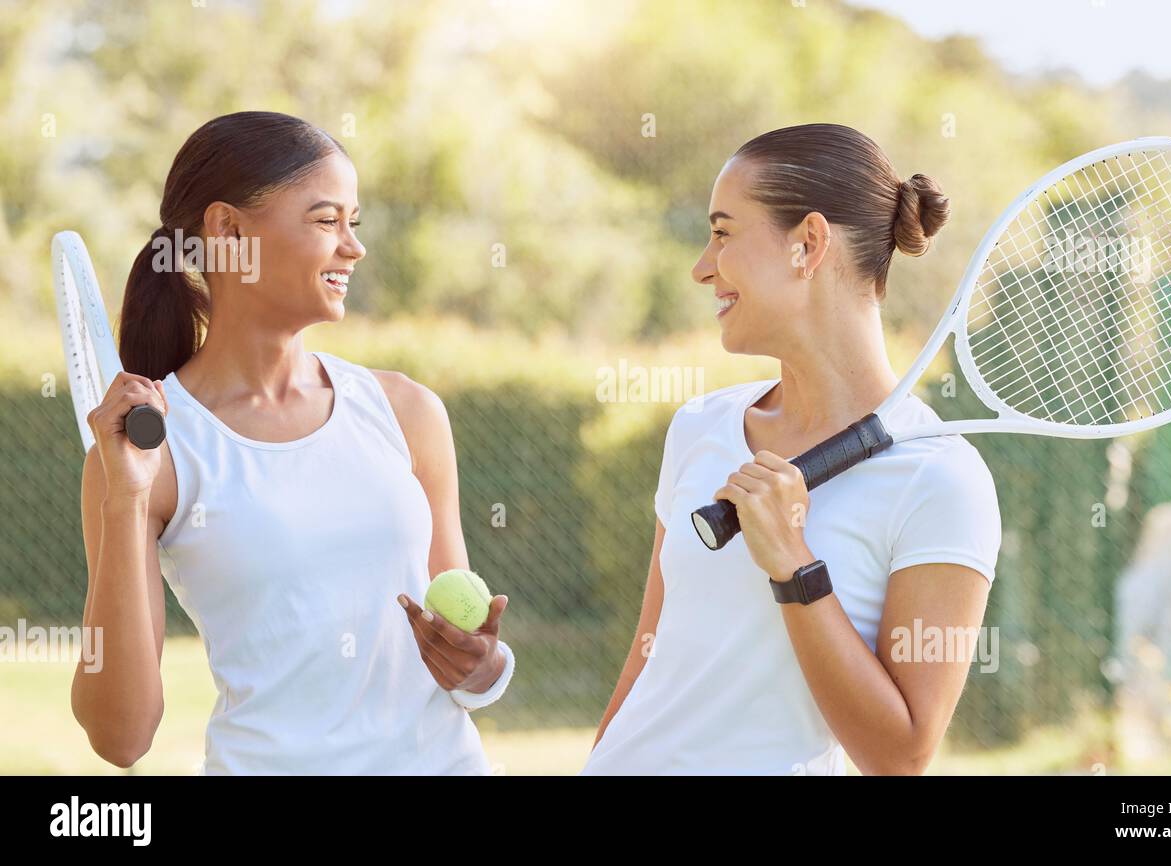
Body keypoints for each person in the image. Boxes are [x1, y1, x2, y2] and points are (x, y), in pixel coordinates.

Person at [71, 111, 513, 775]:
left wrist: (485, 666)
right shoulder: (145, 455)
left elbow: (462, 661)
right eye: (326, 220)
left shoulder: (407, 412)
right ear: (227, 230)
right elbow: (122, 738)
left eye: (354, 222)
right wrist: (123, 499)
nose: (354, 247)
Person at [583, 123, 1001, 775]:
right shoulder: (700, 427)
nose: (701, 266)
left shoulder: (941, 481)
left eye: (722, 233)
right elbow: (649, 660)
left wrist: (794, 566)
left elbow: (901, 755)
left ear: (807, 243)